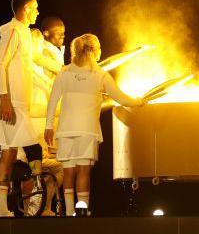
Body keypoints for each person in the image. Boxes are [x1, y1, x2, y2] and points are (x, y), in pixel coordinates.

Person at [45, 34, 146, 215]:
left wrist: (48, 126)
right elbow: (120, 97)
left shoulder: (64, 72)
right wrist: (137, 102)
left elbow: (52, 101)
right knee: (83, 171)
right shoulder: (100, 75)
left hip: (65, 129)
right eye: (99, 48)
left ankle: (69, 213)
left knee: (68, 171)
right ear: (93, 51)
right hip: (87, 131)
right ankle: (82, 210)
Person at [0, 0, 44, 217]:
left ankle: (9, 206)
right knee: (13, 152)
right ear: (26, 8)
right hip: (10, 104)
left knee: (12, 153)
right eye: (36, 8)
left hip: (19, 105)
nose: (37, 12)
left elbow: (30, 69)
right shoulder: (12, 30)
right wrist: (4, 99)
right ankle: (5, 208)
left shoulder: (25, 34)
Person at [29, 19, 67, 215]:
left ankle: (44, 207)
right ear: (45, 33)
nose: (62, 35)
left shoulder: (54, 52)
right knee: (55, 166)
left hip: (50, 117)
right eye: (58, 32)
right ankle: (37, 207)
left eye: (64, 32)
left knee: (53, 166)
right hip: (43, 118)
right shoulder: (43, 51)